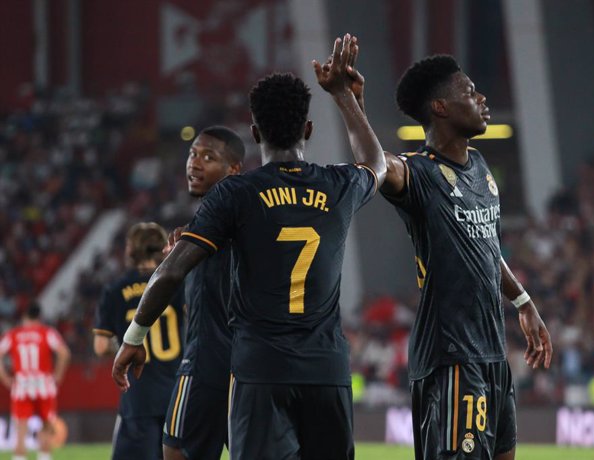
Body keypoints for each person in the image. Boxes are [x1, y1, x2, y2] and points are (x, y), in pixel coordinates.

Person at [112, 33, 385, 460]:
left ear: (255, 131)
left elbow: (170, 271)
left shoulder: (235, 193)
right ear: (308, 129)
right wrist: (344, 98)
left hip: (260, 371)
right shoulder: (338, 185)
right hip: (327, 368)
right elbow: (377, 164)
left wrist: (134, 336)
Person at [346, 53, 552, 459]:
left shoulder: (478, 165)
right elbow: (372, 164)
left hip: (492, 355)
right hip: (452, 356)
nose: (482, 98)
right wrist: (349, 103)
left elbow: (486, 248)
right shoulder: (418, 172)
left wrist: (523, 302)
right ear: (440, 107)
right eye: (470, 92)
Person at [162, 125, 244, 460]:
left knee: (176, 451)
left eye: (208, 157)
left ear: (233, 168)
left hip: (204, 361)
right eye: (193, 153)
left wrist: (133, 337)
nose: (194, 163)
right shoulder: (243, 216)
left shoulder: (216, 220)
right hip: (248, 363)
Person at [93, 222, 185, 460]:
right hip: (178, 394)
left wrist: (124, 348)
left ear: (132, 250)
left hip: (137, 396)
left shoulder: (115, 290)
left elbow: (101, 346)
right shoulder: (178, 284)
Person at [0, 302, 70, 460]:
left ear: (24, 316)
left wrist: (5, 377)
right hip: (44, 385)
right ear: (39, 316)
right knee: (45, 431)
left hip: (22, 386)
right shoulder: (47, 333)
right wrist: (58, 375)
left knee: (20, 435)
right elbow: (64, 353)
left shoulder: (14, 334)